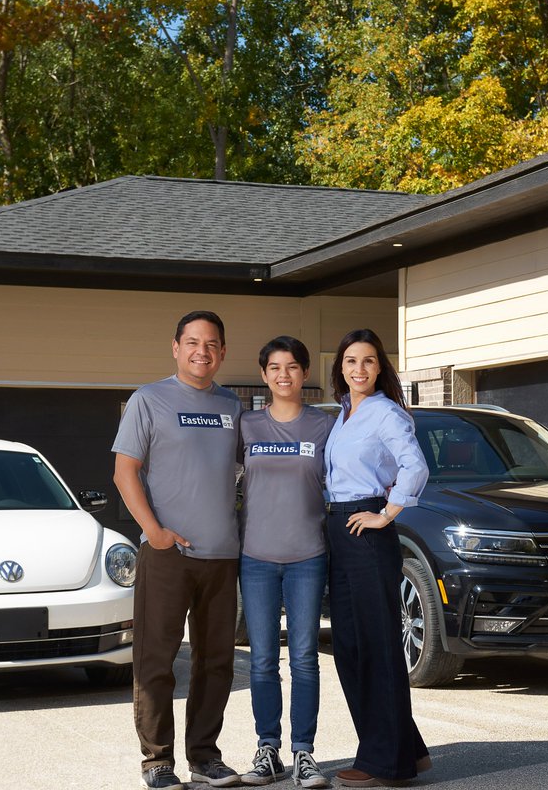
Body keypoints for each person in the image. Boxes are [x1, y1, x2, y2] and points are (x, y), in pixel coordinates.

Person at [112, 311, 244, 790]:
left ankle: (205, 757)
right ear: (175, 347)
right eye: (192, 342)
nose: (201, 352)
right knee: (156, 660)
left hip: (222, 555)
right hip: (167, 555)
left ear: (223, 352)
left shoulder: (232, 406)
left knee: (216, 663)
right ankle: (157, 761)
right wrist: (155, 531)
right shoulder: (148, 400)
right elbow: (124, 471)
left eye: (211, 344)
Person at [322, 329, 431, 788]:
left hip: (365, 531)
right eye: (350, 361)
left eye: (368, 361)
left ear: (380, 368)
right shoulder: (345, 412)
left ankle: (384, 763)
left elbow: (416, 466)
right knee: (349, 645)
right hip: (340, 530)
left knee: (376, 647)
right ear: (340, 368)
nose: (359, 369)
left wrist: (386, 514)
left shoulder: (385, 411)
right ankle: (408, 750)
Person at [236, 336, 334, 789]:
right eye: (274, 367)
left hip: (307, 558)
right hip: (256, 558)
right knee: (261, 662)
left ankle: (305, 754)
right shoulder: (246, 426)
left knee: (304, 659)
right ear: (263, 375)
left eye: (292, 367)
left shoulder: (325, 426)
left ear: (305, 373)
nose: (283, 375)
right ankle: (267, 748)